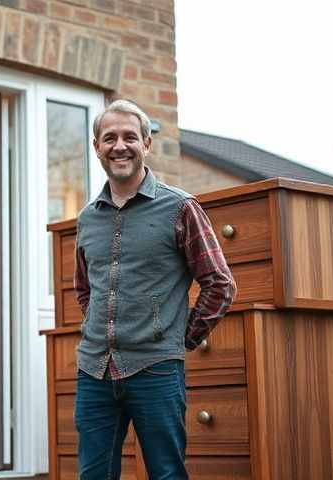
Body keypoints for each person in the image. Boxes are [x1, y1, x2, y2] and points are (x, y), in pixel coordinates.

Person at [73, 99, 236, 480]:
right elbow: (87, 289)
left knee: (166, 474)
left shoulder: (180, 207)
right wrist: (102, 329)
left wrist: (178, 338)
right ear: (97, 146)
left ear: (147, 144)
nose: (120, 146)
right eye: (109, 137)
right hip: (93, 371)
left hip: (156, 372)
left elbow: (220, 283)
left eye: (130, 137)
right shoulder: (87, 218)